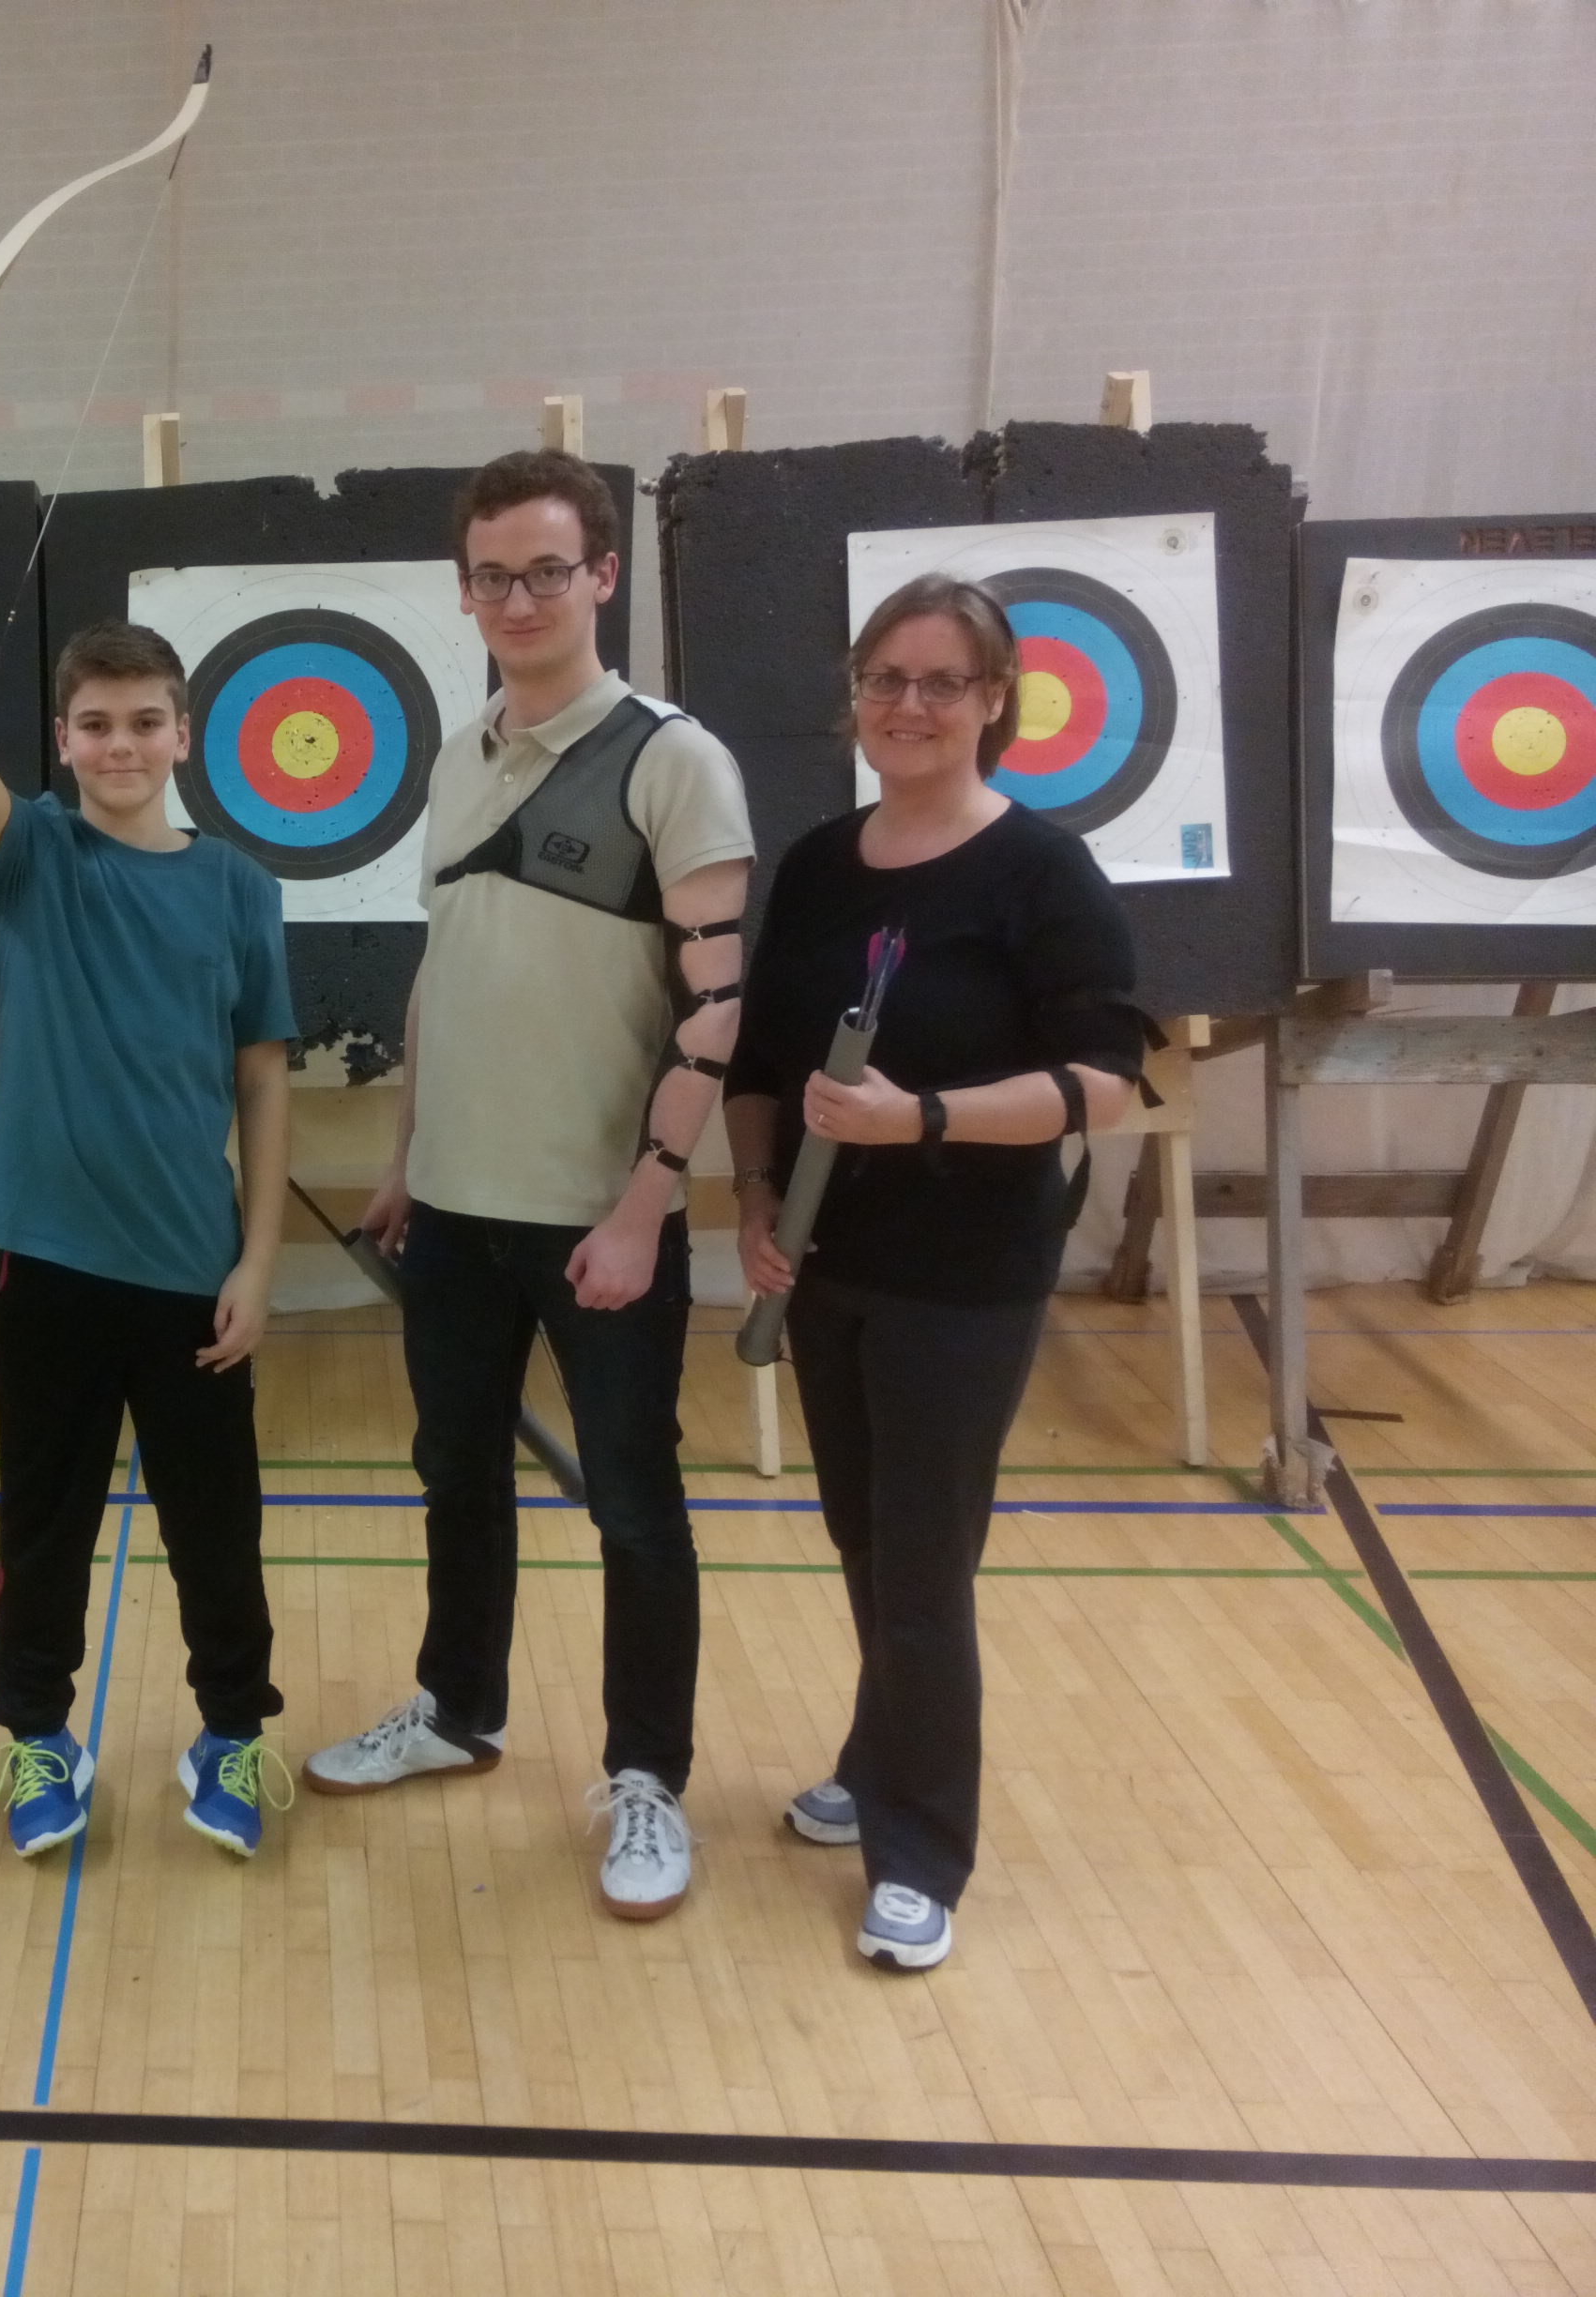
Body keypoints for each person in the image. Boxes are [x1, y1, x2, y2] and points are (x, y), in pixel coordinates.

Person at [303, 450, 752, 1924]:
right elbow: (446, 973)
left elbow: (716, 1010)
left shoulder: (673, 760)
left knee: (633, 1504)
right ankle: (458, 1708)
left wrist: (645, 1206)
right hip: (453, 1207)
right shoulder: (458, 754)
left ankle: (647, 1776)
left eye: (546, 572)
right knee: (457, 1472)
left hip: (598, 1218)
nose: (516, 600)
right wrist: (408, 1160)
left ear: (602, 576)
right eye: (490, 577)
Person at [0, 511, 297, 1861]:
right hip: (52, 1266)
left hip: (194, 1270)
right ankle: (36, 1733)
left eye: (145, 722)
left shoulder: (240, 889)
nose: (121, 745)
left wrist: (259, 1261)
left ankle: (233, 1735)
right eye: (95, 725)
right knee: (43, 1524)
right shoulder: (31, 857)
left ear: (185, 735)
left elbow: (263, 1080)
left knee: (218, 1530)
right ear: (67, 742)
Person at [724, 571, 1142, 1970]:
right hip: (828, 1263)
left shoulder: (1043, 872)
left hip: (965, 1276)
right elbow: (765, 1060)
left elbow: (1105, 1082)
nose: (909, 705)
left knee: (921, 1566)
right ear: (856, 693)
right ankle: (879, 1754)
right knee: (865, 1537)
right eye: (885, 679)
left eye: (941, 682)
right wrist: (756, 1196)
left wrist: (924, 1119)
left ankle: (921, 1850)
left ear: (993, 701)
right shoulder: (819, 864)